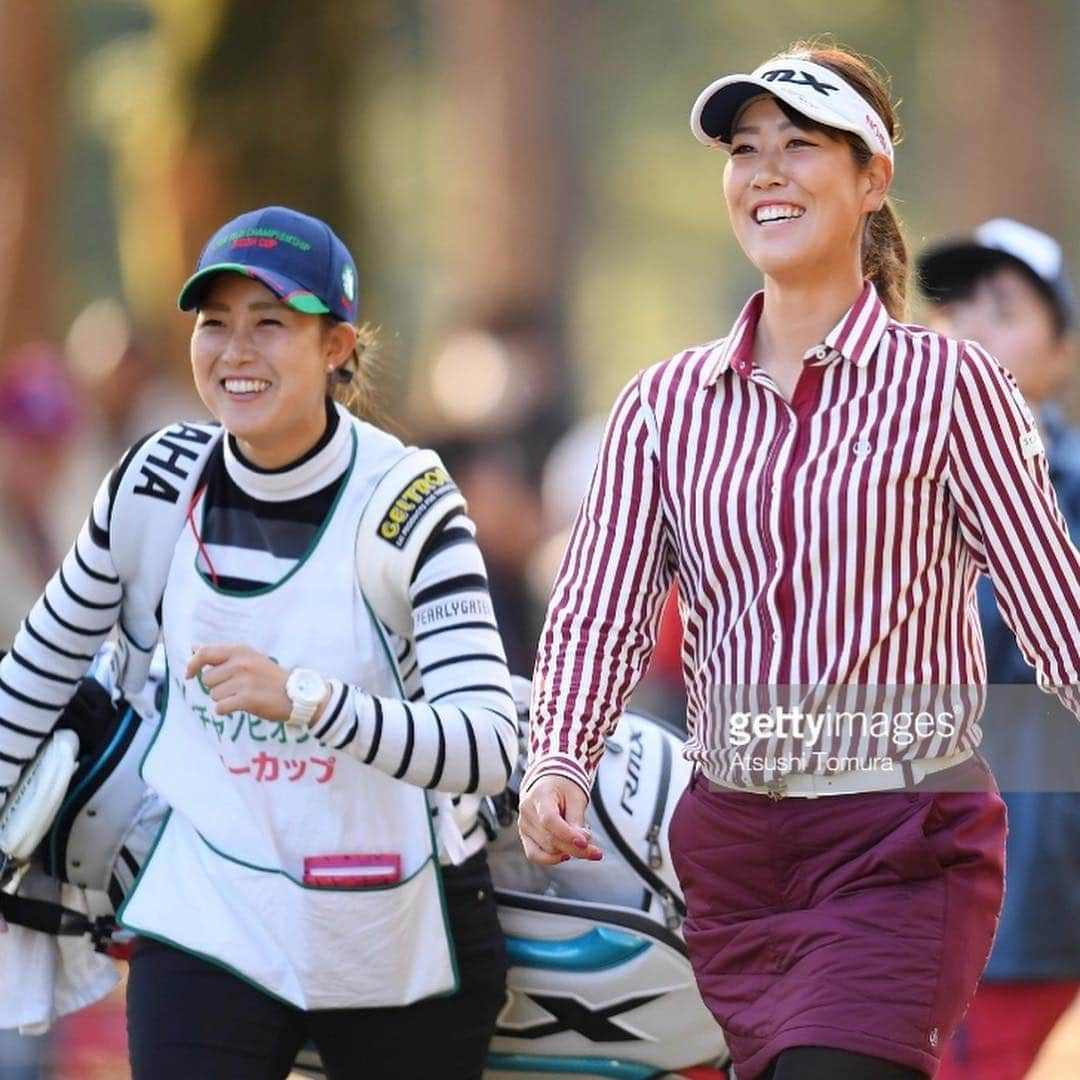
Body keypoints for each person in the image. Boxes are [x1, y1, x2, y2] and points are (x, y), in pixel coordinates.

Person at [517, 42, 1080, 1080]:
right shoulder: (663, 405)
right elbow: (602, 604)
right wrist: (560, 754)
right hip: (731, 854)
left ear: (873, 179)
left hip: (903, 844)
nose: (765, 171)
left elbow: (1057, 611)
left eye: (800, 144)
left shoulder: (955, 387)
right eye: (744, 149)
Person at [0, 205, 518, 1080]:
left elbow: (488, 745)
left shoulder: (411, 503)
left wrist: (306, 700)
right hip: (211, 908)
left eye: (270, 323)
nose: (235, 350)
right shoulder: (155, 482)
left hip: (394, 931)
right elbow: (38, 671)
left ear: (336, 346)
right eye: (215, 323)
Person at [918, 218, 1080, 1080]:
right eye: (953, 307)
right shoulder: (873, 490)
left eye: (1006, 308)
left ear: (1061, 352)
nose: (973, 327)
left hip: (1039, 925)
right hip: (897, 912)